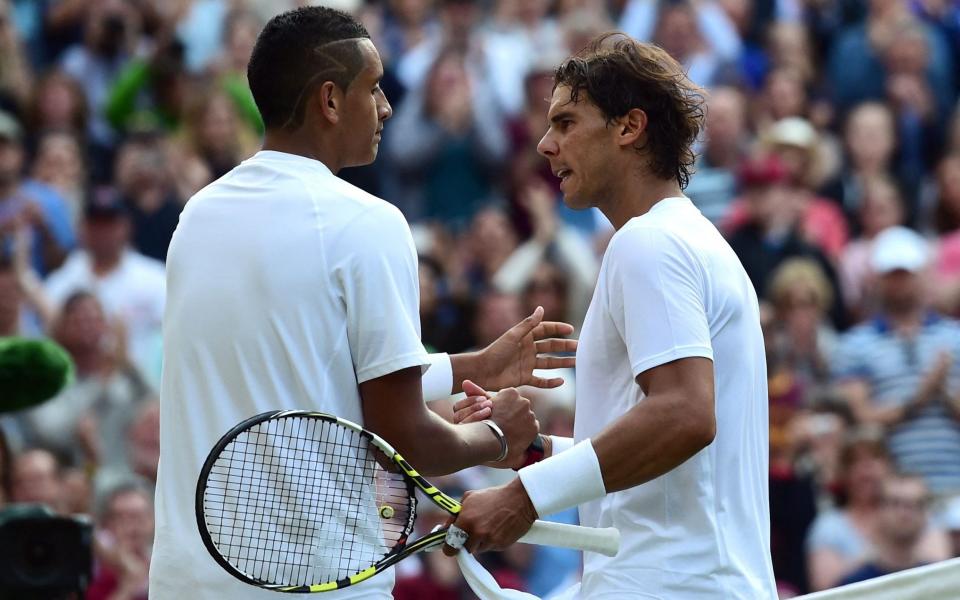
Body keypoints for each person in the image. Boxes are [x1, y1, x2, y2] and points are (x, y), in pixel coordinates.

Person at [149, 7, 576, 600]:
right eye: (373, 88)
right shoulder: (368, 223)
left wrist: (470, 368)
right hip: (317, 579)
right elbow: (406, 437)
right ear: (330, 100)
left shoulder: (197, 216)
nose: (386, 106)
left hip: (186, 579)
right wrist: (499, 438)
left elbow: (309, 371)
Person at [447, 33, 776, 598]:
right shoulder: (687, 239)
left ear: (629, 127)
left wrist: (525, 497)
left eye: (567, 122)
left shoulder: (650, 243)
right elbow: (665, 462)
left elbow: (685, 416)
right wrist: (534, 452)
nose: (546, 145)